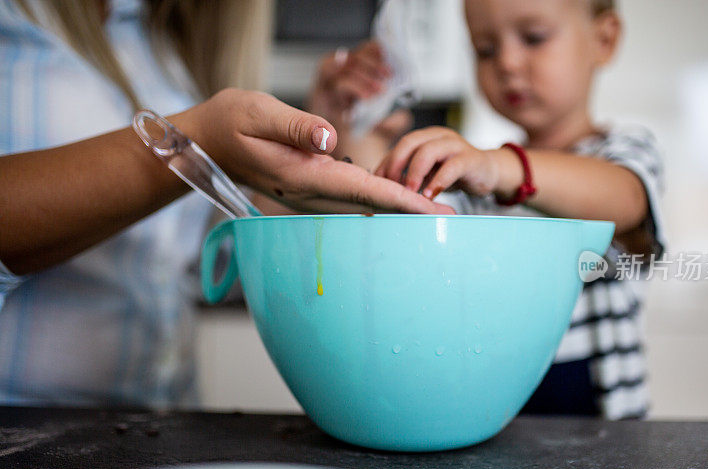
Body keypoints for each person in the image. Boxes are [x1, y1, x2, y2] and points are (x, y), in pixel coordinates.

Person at [0, 0, 452, 407]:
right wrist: (199, 142)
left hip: (162, 423)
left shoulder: (160, 43)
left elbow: (203, 253)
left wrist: (307, 166)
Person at [316, 0, 666, 419]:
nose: (508, 63)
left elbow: (623, 200)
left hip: (600, 418)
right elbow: (392, 220)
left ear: (604, 39)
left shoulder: (623, 151)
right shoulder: (477, 177)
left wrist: (498, 165)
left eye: (533, 38)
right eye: (485, 49)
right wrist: (348, 125)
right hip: (494, 399)